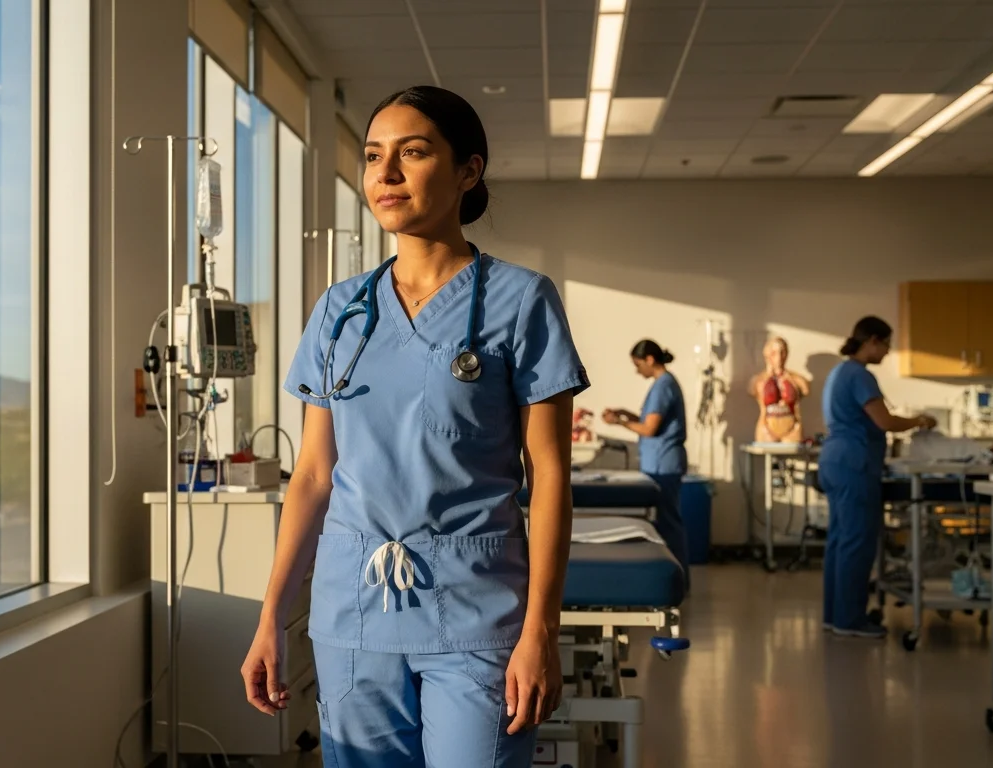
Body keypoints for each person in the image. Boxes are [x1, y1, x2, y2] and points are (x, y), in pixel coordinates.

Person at [240, 86, 588, 768]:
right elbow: (313, 474)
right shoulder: (339, 312)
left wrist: (541, 630)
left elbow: (549, 476)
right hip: (352, 612)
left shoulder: (521, 301)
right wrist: (272, 616)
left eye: (414, 152)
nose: (385, 173)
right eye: (373, 156)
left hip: (476, 612)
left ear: (468, 171)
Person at [819, 317, 936, 638]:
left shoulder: (838, 372)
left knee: (841, 542)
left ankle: (834, 615)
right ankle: (850, 620)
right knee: (857, 542)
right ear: (872, 340)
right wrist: (919, 421)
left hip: (835, 460)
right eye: (886, 344)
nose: (887, 352)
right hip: (853, 464)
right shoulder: (859, 375)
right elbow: (884, 421)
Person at [602, 340, 690, 587]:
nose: (637, 370)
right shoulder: (664, 385)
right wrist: (625, 414)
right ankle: (676, 578)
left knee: (669, 523)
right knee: (667, 520)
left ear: (650, 360)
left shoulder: (664, 386)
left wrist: (619, 423)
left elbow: (649, 428)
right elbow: (648, 420)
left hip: (664, 464)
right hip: (661, 462)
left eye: (638, 364)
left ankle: (677, 580)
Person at [748, 336, 810, 443]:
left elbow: (805, 389)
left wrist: (788, 376)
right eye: (774, 352)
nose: (779, 357)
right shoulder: (758, 380)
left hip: (792, 428)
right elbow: (752, 389)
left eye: (783, 352)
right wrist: (768, 373)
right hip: (766, 428)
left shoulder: (795, 379)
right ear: (767, 355)